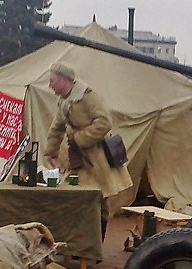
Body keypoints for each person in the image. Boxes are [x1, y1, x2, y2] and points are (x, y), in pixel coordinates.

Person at [43, 63, 132, 240]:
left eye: (52, 80)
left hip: (97, 159)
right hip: (78, 159)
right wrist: (51, 151)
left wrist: (80, 138)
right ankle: (79, 243)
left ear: (64, 79)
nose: (50, 85)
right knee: (77, 197)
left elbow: (105, 122)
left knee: (99, 201)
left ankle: (95, 245)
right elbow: (57, 127)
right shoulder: (63, 101)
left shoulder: (88, 97)